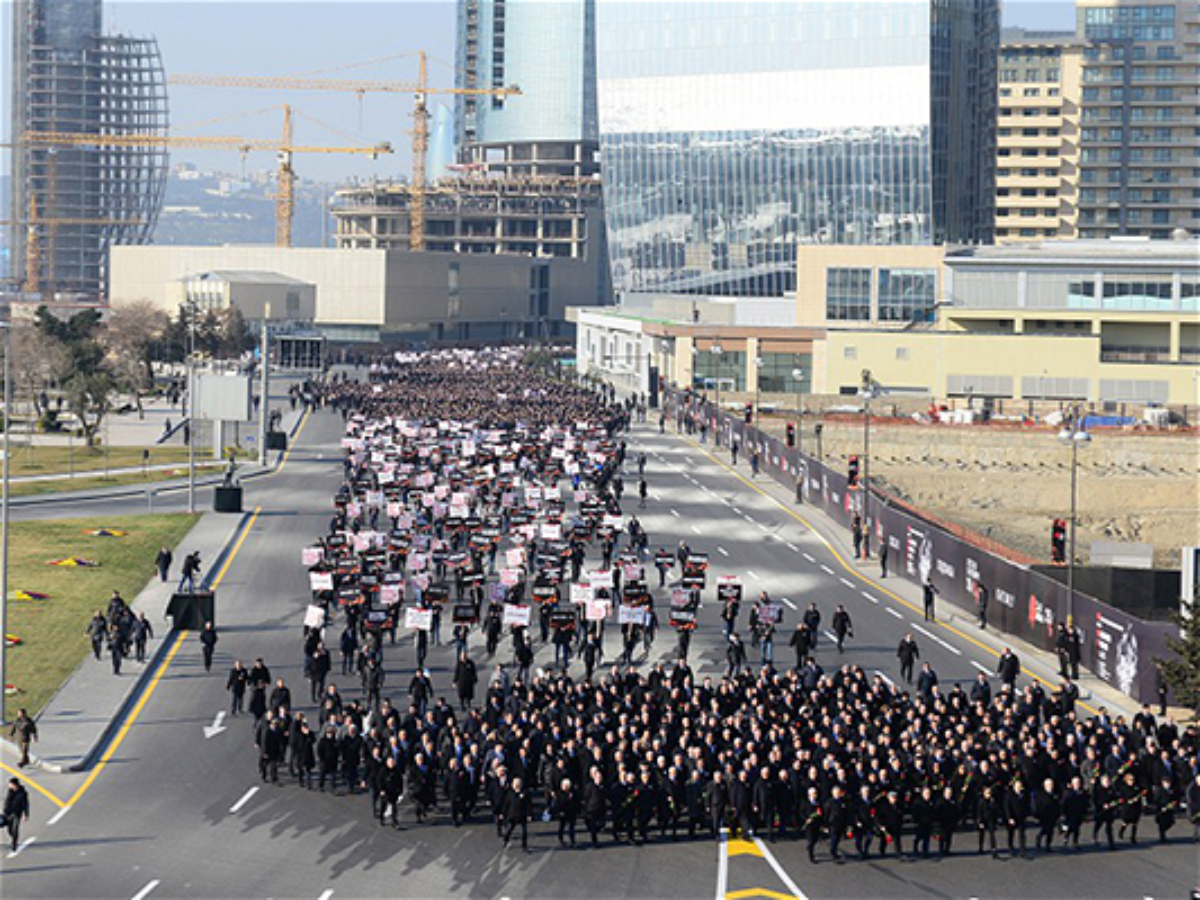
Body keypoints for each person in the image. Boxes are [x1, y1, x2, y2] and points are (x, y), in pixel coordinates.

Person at [501, 776, 532, 852]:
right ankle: (506, 840)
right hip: (512, 815)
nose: (517, 785)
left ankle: (524, 846)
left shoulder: (525, 793)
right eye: (515, 784)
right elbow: (506, 804)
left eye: (518, 783)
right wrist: (503, 813)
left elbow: (528, 804)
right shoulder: (510, 793)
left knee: (524, 831)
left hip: (522, 814)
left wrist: (529, 814)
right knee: (509, 829)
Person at [3, 777, 30, 852]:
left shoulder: (23, 793)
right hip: (8, 813)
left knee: (15, 828)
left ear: (15, 785)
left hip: (17, 813)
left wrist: (26, 814)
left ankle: (14, 844)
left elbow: (25, 804)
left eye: (10, 784)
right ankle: (14, 837)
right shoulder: (10, 791)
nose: (9, 785)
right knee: (9, 829)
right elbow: (7, 802)